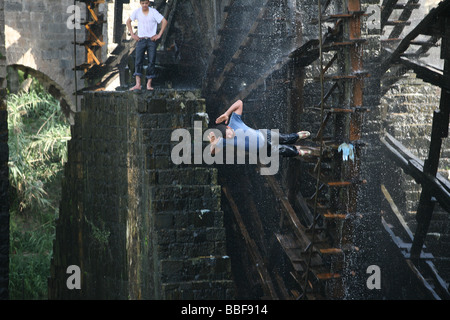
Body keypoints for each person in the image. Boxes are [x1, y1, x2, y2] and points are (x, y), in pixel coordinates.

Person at [208, 100, 312, 158]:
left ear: (228, 127)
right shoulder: (224, 141)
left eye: (228, 133)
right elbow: (212, 154)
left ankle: (297, 136)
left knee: (285, 138)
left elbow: (239, 103)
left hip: (264, 135)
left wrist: (227, 113)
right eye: (226, 137)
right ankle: (298, 152)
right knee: (284, 150)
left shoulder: (234, 122)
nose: (229, 137)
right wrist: (212, 145)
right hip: (263, 149)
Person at [127, 0, 168, 91]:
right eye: (143, 3)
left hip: (151, 40)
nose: (144, 5)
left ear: (149, 3)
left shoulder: (153, 12)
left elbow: (164, 21)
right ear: (140, 3)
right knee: (138, 61)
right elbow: (128, 21)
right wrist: (132, 34)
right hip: (141, 40)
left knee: (151, 61)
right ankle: (138, 84)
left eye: (146, 3)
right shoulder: (137, 12)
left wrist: (159, 34)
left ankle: (149, 84)